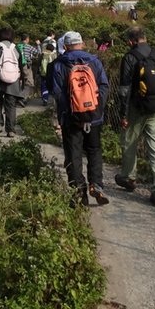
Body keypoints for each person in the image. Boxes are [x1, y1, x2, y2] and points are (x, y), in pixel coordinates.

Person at [46, 31, 110, 206]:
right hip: (94, 117)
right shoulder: (95, 61)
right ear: (81, 44)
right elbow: (104, 86)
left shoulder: (59, 64)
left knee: (73, 155)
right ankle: (96, 184)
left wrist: (69, 112)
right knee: (94, 150)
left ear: (66, 46)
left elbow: (57, 92)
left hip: (71, 119)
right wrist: (96, 109)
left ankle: (79, 192)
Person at [115, 26, 155, 206]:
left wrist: (123, 114)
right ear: (145, 38)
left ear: (131, 41)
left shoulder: (129, 57)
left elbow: (124, 89)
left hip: (136, 108)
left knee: (129, 142)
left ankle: (129, 178)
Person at [39, 36, 58, 105]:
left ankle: (45, 99)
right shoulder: (54, 55)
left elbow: (39, 64)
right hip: (51, 73)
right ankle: (54, 101)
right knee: (53, 85)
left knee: (44, 86)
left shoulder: (42, 55)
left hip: (43, 73)